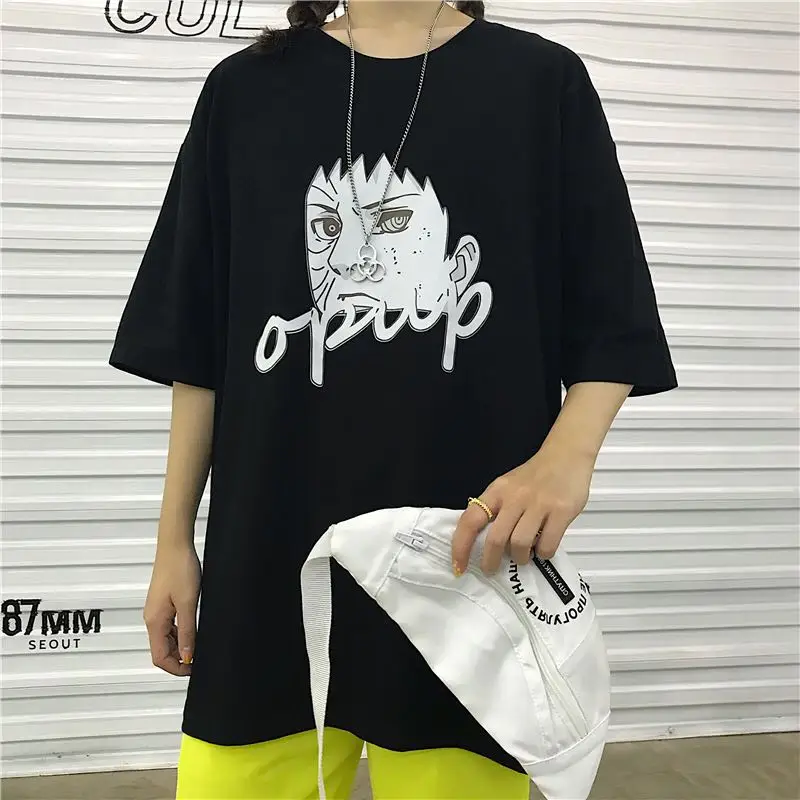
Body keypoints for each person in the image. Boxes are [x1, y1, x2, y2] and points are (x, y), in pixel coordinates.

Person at [109, 1, 677, 798]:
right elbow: (196, 344)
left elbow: (613, 319)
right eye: (327, 229)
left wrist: (566, 459)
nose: (350, 256)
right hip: (269, 555)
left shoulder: (539, 84)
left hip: (466, 557)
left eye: (393, 220)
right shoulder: (245, 92)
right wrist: (173, 540)